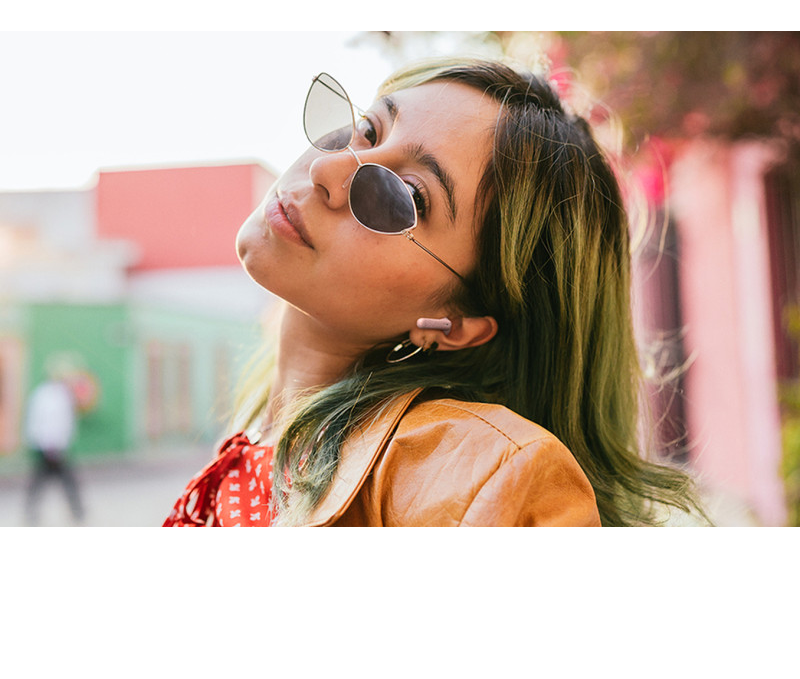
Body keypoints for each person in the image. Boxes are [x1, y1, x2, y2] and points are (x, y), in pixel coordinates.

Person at [164, 57, 704, 527]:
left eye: (402, 196)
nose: (327, 168)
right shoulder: (257, 433)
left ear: (456, 322)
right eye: (368, 130)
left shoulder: (484, 476)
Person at [24, 354, 85, 525]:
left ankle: (77, 512)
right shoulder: (46, 395)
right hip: (49, 446)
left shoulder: (62, 394)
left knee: (54, 481)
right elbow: (44, 422)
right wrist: (49, 446)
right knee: (53, 480)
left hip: (58, 445)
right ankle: (76, 512)